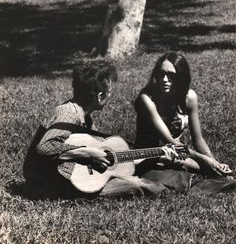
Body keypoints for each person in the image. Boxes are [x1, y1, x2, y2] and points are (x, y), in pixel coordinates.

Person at [23, 59, 176, 198]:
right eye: (109, 92)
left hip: (76, 179)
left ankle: (186, 183)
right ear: (100, 96)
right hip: (51, 186)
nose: (110, 96)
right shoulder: (68, 113)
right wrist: (87, 153)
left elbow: (112, 158)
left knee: (142, 175)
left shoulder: (84, 116)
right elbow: (44, 147)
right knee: (142, 185)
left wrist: (156, 155)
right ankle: (179, 190)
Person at [134, 52, 234, 189]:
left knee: (210, 168)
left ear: (181, 78)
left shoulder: (189, 98)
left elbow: (198, 140)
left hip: (178, 153)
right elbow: (170, 141)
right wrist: (207, 161)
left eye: (171, 75)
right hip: (151, 155)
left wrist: (214, 161)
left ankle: (217, 175)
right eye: (161, 74)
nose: (164, 79)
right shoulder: (147, 99)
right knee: (204, 167)